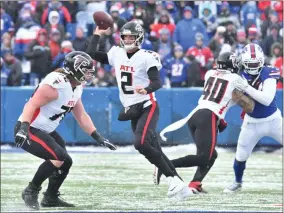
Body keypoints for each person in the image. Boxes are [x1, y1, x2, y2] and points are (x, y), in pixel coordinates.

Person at [86, 21, 191, 200]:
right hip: (131, 109)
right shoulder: (117, 53)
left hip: (147, 106)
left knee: (140, 143)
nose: (127, 40)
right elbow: (91, 54)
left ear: (139, 38)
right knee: (152, 147)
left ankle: (173, 180)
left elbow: (157, 82)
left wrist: (146, 89)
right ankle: (181, 185)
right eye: (125, 36)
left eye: (131, 37)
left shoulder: (146, 56)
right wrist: (97, 34)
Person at [14, 51, 116, 210]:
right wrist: (24, 129)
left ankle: (50, 197)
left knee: (65, 161)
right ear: (74, 70)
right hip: (29, 128)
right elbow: (31, 105)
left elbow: (81, 115)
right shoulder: (56, 85)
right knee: (58, 156)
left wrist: (98, 137)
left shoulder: (76, 87)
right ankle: (31, 190)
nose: (89, 75)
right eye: (86, 71)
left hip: (45, 130)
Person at [157, 52, 255, 193]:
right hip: (208, 117)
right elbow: (249, 98)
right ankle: (166, 165)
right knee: (204, 158)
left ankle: (195, 183)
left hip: (196, 115)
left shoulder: (210, 73)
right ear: (231, 65)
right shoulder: (236, 79)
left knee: (210, 155)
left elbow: (217, 96)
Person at [224, 43, 283, 193]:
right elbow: (230, 98)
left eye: (256, 63)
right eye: (250, 64)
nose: (253, 67)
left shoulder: (268, 72)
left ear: (262, 61)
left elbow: (267, 99)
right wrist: (221, 112)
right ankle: (237, 182)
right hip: (251, 123)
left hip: (273, 120)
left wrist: (246, 87)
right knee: (241, 155)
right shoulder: (238, 73)